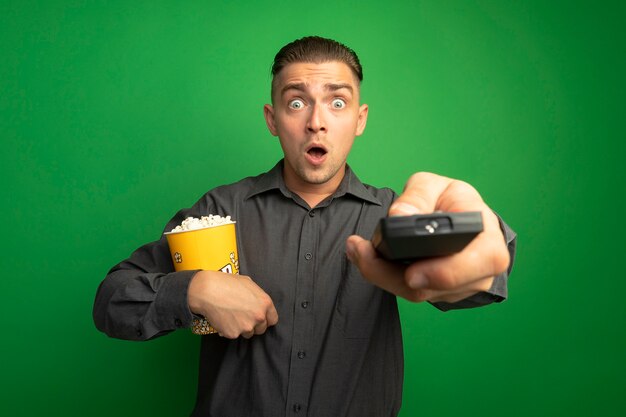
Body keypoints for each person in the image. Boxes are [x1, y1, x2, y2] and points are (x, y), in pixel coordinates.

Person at [93, 36, 516, 417]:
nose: (316, 121)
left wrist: (475, 234)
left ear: (360, 118)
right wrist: (195, 289)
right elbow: (111, 300)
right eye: (296, 102)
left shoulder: (396, 215)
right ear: (272, 118)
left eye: (337, 102)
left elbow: (484, 272)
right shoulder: (221, 209)